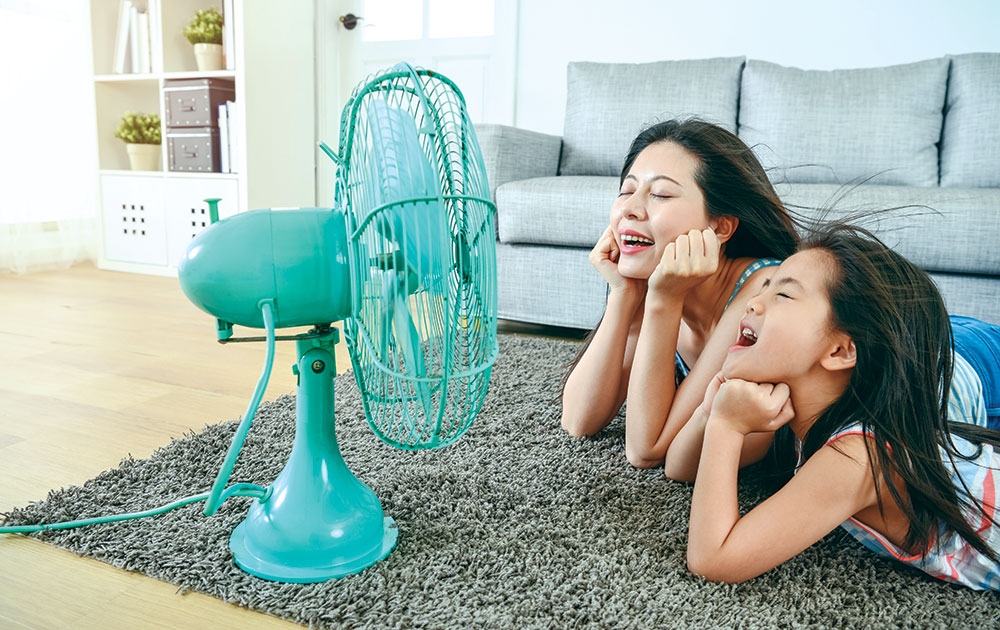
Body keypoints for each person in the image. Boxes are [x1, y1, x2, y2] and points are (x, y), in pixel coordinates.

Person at [670, 222, 1000, 590]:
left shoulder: (858, 458)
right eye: (765, 286)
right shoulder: (810, 409)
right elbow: (681, 468)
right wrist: (711, 411)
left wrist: (726, 428)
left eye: (784, 295)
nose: (752, 302)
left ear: (840, 351)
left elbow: (713, 560)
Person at [560, 119, 799, 469]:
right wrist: (624, 296)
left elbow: (646, 450)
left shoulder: (762, 289)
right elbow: (579, 421)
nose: (630, 209)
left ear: (720, 227)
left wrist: (664, 300)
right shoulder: (653, 281)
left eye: (660, 194)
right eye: (627, 191)